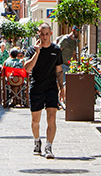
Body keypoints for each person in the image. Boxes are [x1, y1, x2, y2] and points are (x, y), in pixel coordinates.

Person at [24, 23, 64, 159]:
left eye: (47, 34)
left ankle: (49, 146)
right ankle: (37, 141)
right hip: (36, 88)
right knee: (36, 120)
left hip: (51, 89)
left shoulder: (56, 50)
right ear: (38, 34)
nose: (44, 37)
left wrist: (62, 88)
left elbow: (59, 70)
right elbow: (27, 68)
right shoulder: (31, 50)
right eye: (42, 34)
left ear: (51, 34)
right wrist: (37, 53)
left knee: (52, 118)